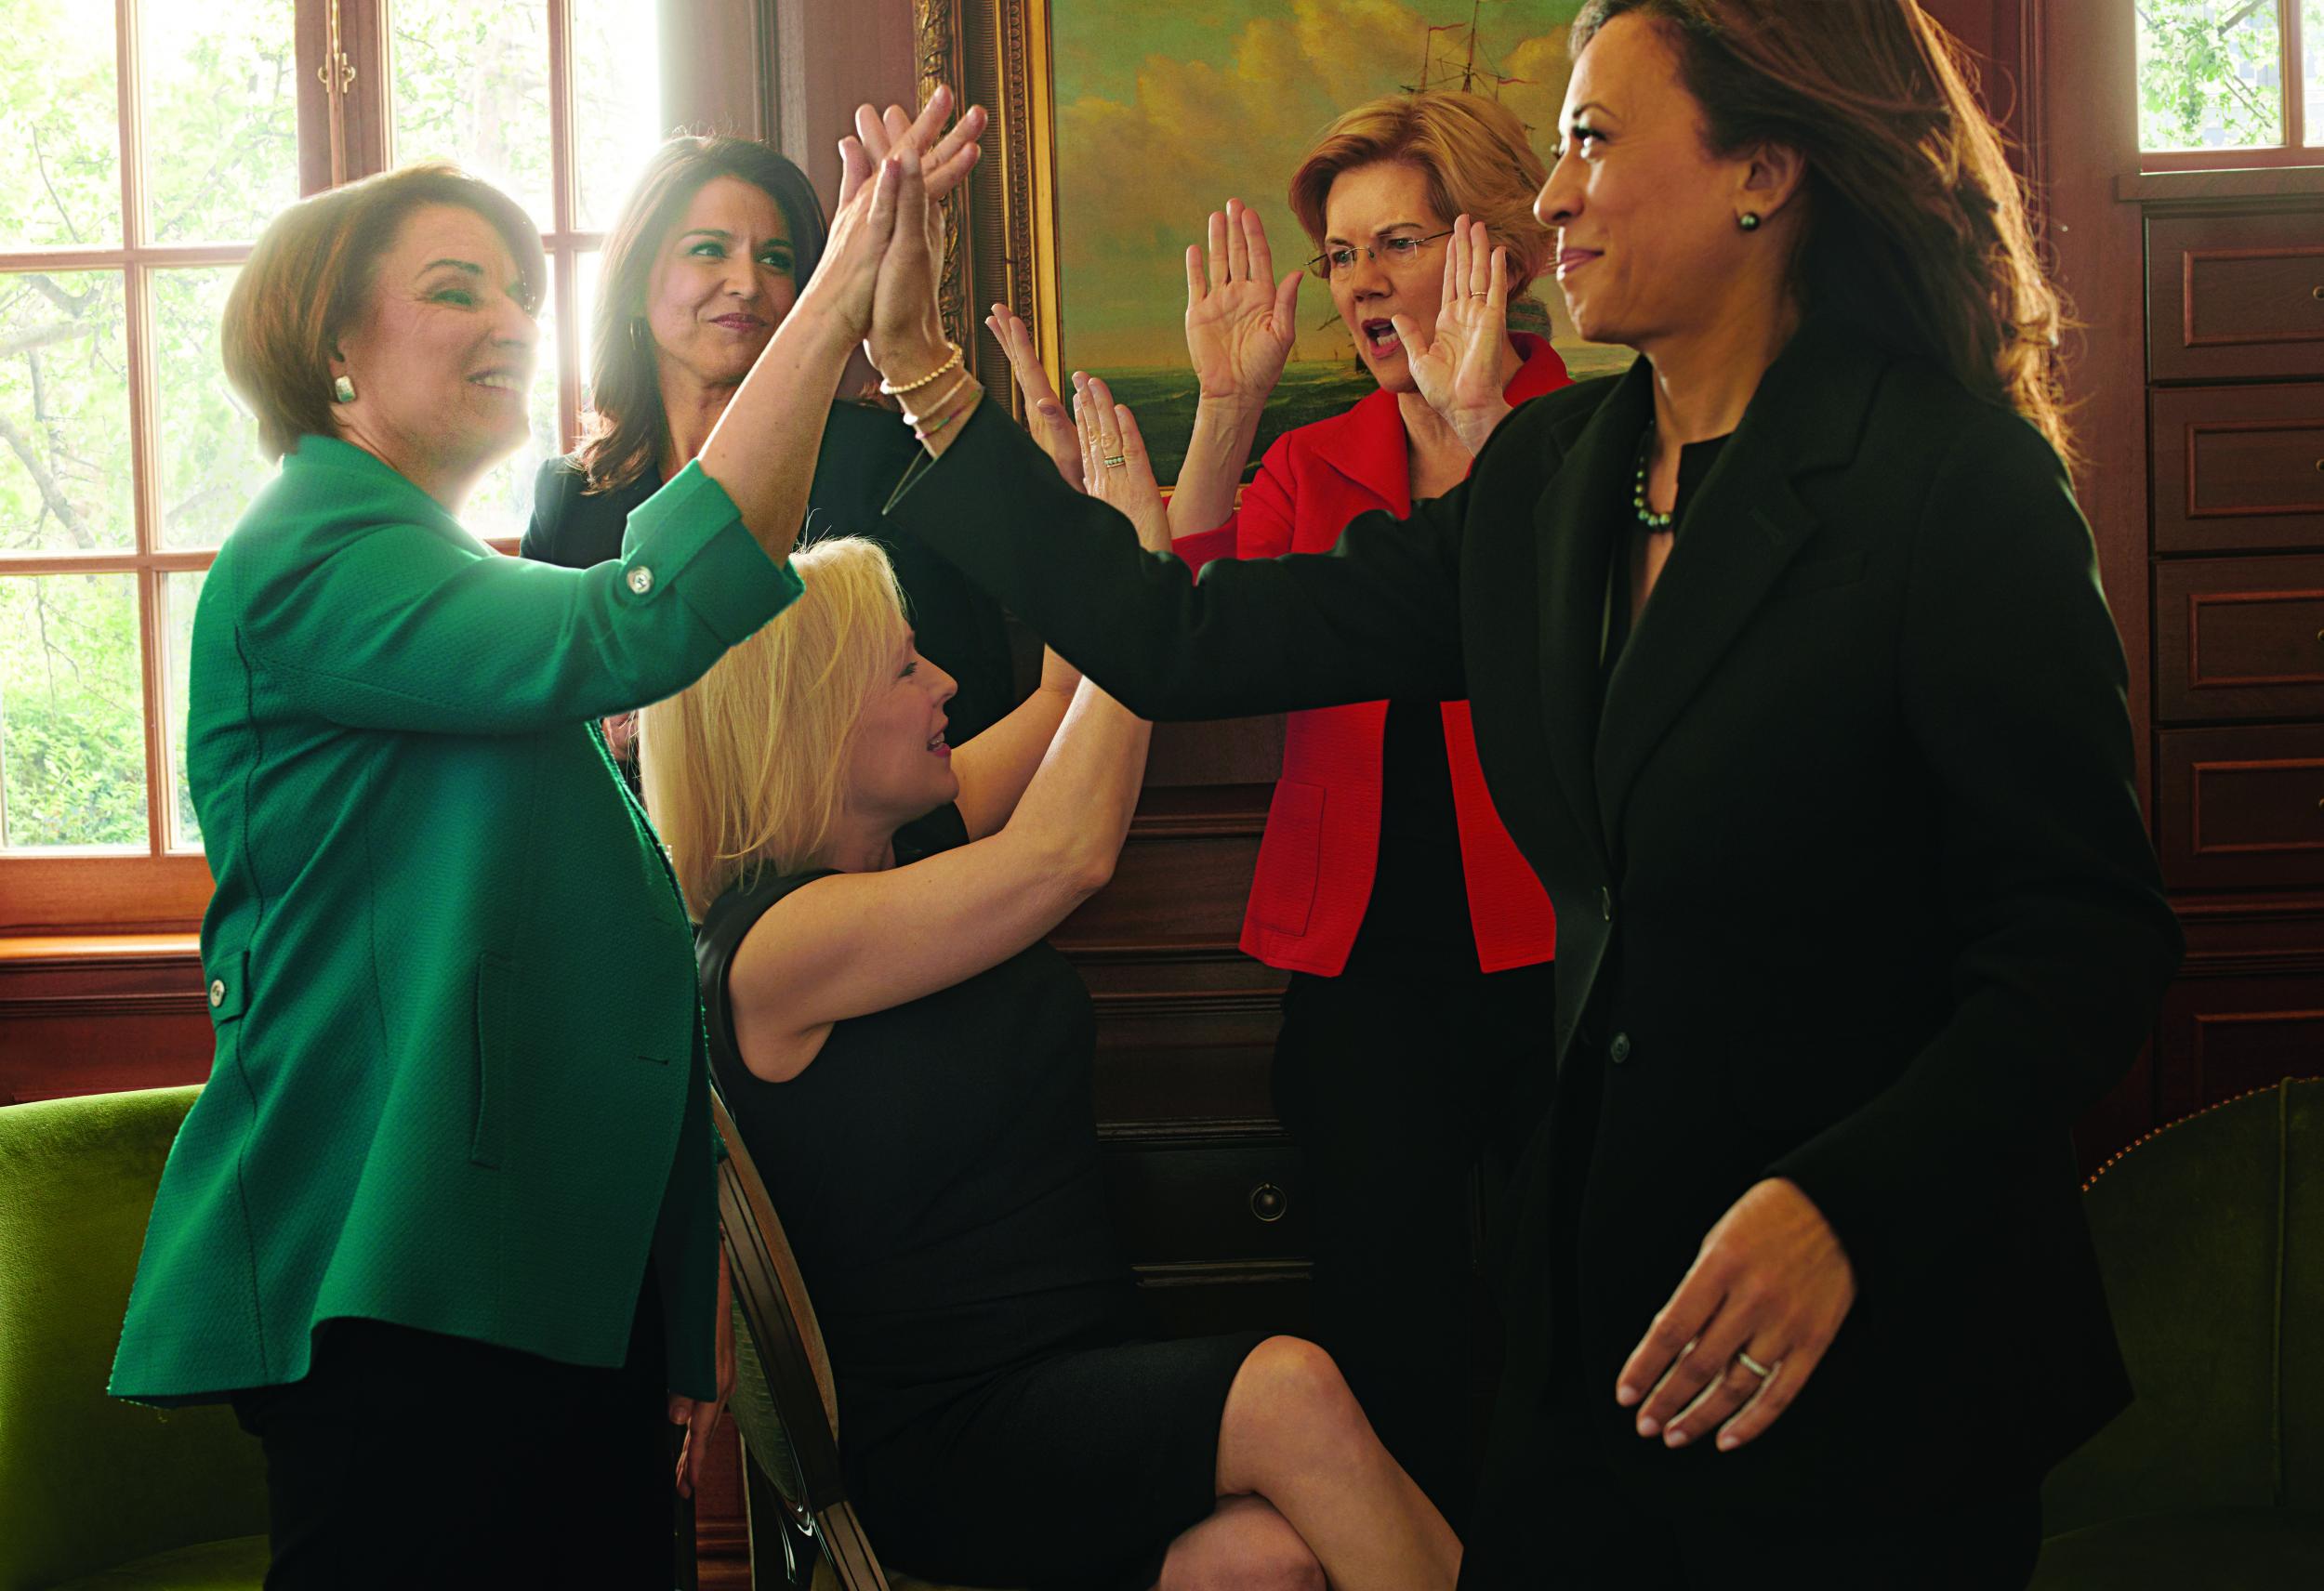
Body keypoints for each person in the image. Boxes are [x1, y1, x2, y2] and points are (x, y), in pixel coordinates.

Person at [863, 7, 2188, 1584]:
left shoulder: (1952, 483)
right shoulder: (1556, 477)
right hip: (1605, 1328)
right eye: (1559, 145)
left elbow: (2084, 947)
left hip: (1876, 1345)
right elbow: (1178, 633)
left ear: (1764, 172)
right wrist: (926, 372)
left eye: (1594, 141)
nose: (1553, 200)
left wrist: (1847, 1205)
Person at [107, 126, 953, 1588]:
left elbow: (617, 941)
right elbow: (642, 617)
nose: (508, 318)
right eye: (454, 290)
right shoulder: (316, 551)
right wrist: (832, 300)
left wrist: (674, 1291)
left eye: (516, 288)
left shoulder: (449, 576)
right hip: (403, 1275)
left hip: (545, 1281)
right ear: (333, 349)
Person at [648, 126, 1459, 1582]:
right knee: (1288, 1385)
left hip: (1072, 1378)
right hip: (957, 1432)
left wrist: (1213, 433)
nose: (943, 687)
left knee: (1266, 1565)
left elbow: (1094, 688)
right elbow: (1076, 843)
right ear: (811, 722)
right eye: (906, 670)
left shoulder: (918, 835)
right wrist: (1122, 544)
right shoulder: (776, 946)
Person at [988, 90, 1566, 1519]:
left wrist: (1479, 424)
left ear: (1502, 252)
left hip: (1569, 959)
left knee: (1582, 1319)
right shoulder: (1318, 466)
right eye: (1342, 254)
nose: (1363, 283)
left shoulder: (1601, 440)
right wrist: (1233, 405)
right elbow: (1185, 616)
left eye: (1400, 242)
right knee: (1391, 1338)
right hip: (1363, 971)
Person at [527, 132, 1014, 751]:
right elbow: (543, 730)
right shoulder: (570, 496)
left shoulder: (880, 463)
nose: (747, 284)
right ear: (633, 283)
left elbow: (970, 699)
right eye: (708, 251)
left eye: (777, 260)